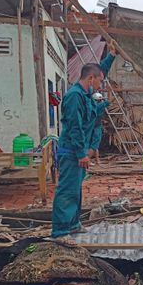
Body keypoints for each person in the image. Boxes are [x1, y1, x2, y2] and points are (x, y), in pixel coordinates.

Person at [50, 43, 117, 241]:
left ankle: (73, 223)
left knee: (76, 190)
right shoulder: (74, 97)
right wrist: (81, 153)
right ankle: (60, 231)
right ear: (90, 79)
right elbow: (75, 127)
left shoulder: (86, 93)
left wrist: (111, 55)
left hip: (78, 150)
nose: (100, 85)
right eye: (99, 82)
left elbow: (98, 72)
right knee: (67, 190)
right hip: (72, 151)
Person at [91, 92, 110, 165]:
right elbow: (108, 102)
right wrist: (108, 93)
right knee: (95, 145)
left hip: (91, 126)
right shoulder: (100, 105)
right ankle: (96, 160)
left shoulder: (91, 105)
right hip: (96, 127)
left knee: (91, 144)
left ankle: (95, 160)